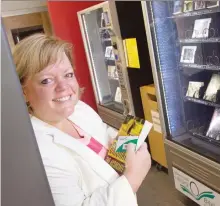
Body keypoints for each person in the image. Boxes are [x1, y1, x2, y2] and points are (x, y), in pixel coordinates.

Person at [12, 33, 151, 206]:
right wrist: (133, 178)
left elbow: (101, 132)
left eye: (68, 75)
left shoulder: (79, 109)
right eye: (46, 80)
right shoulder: (37, 152)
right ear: (23, 91)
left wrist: (122, 143)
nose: (64, 87)